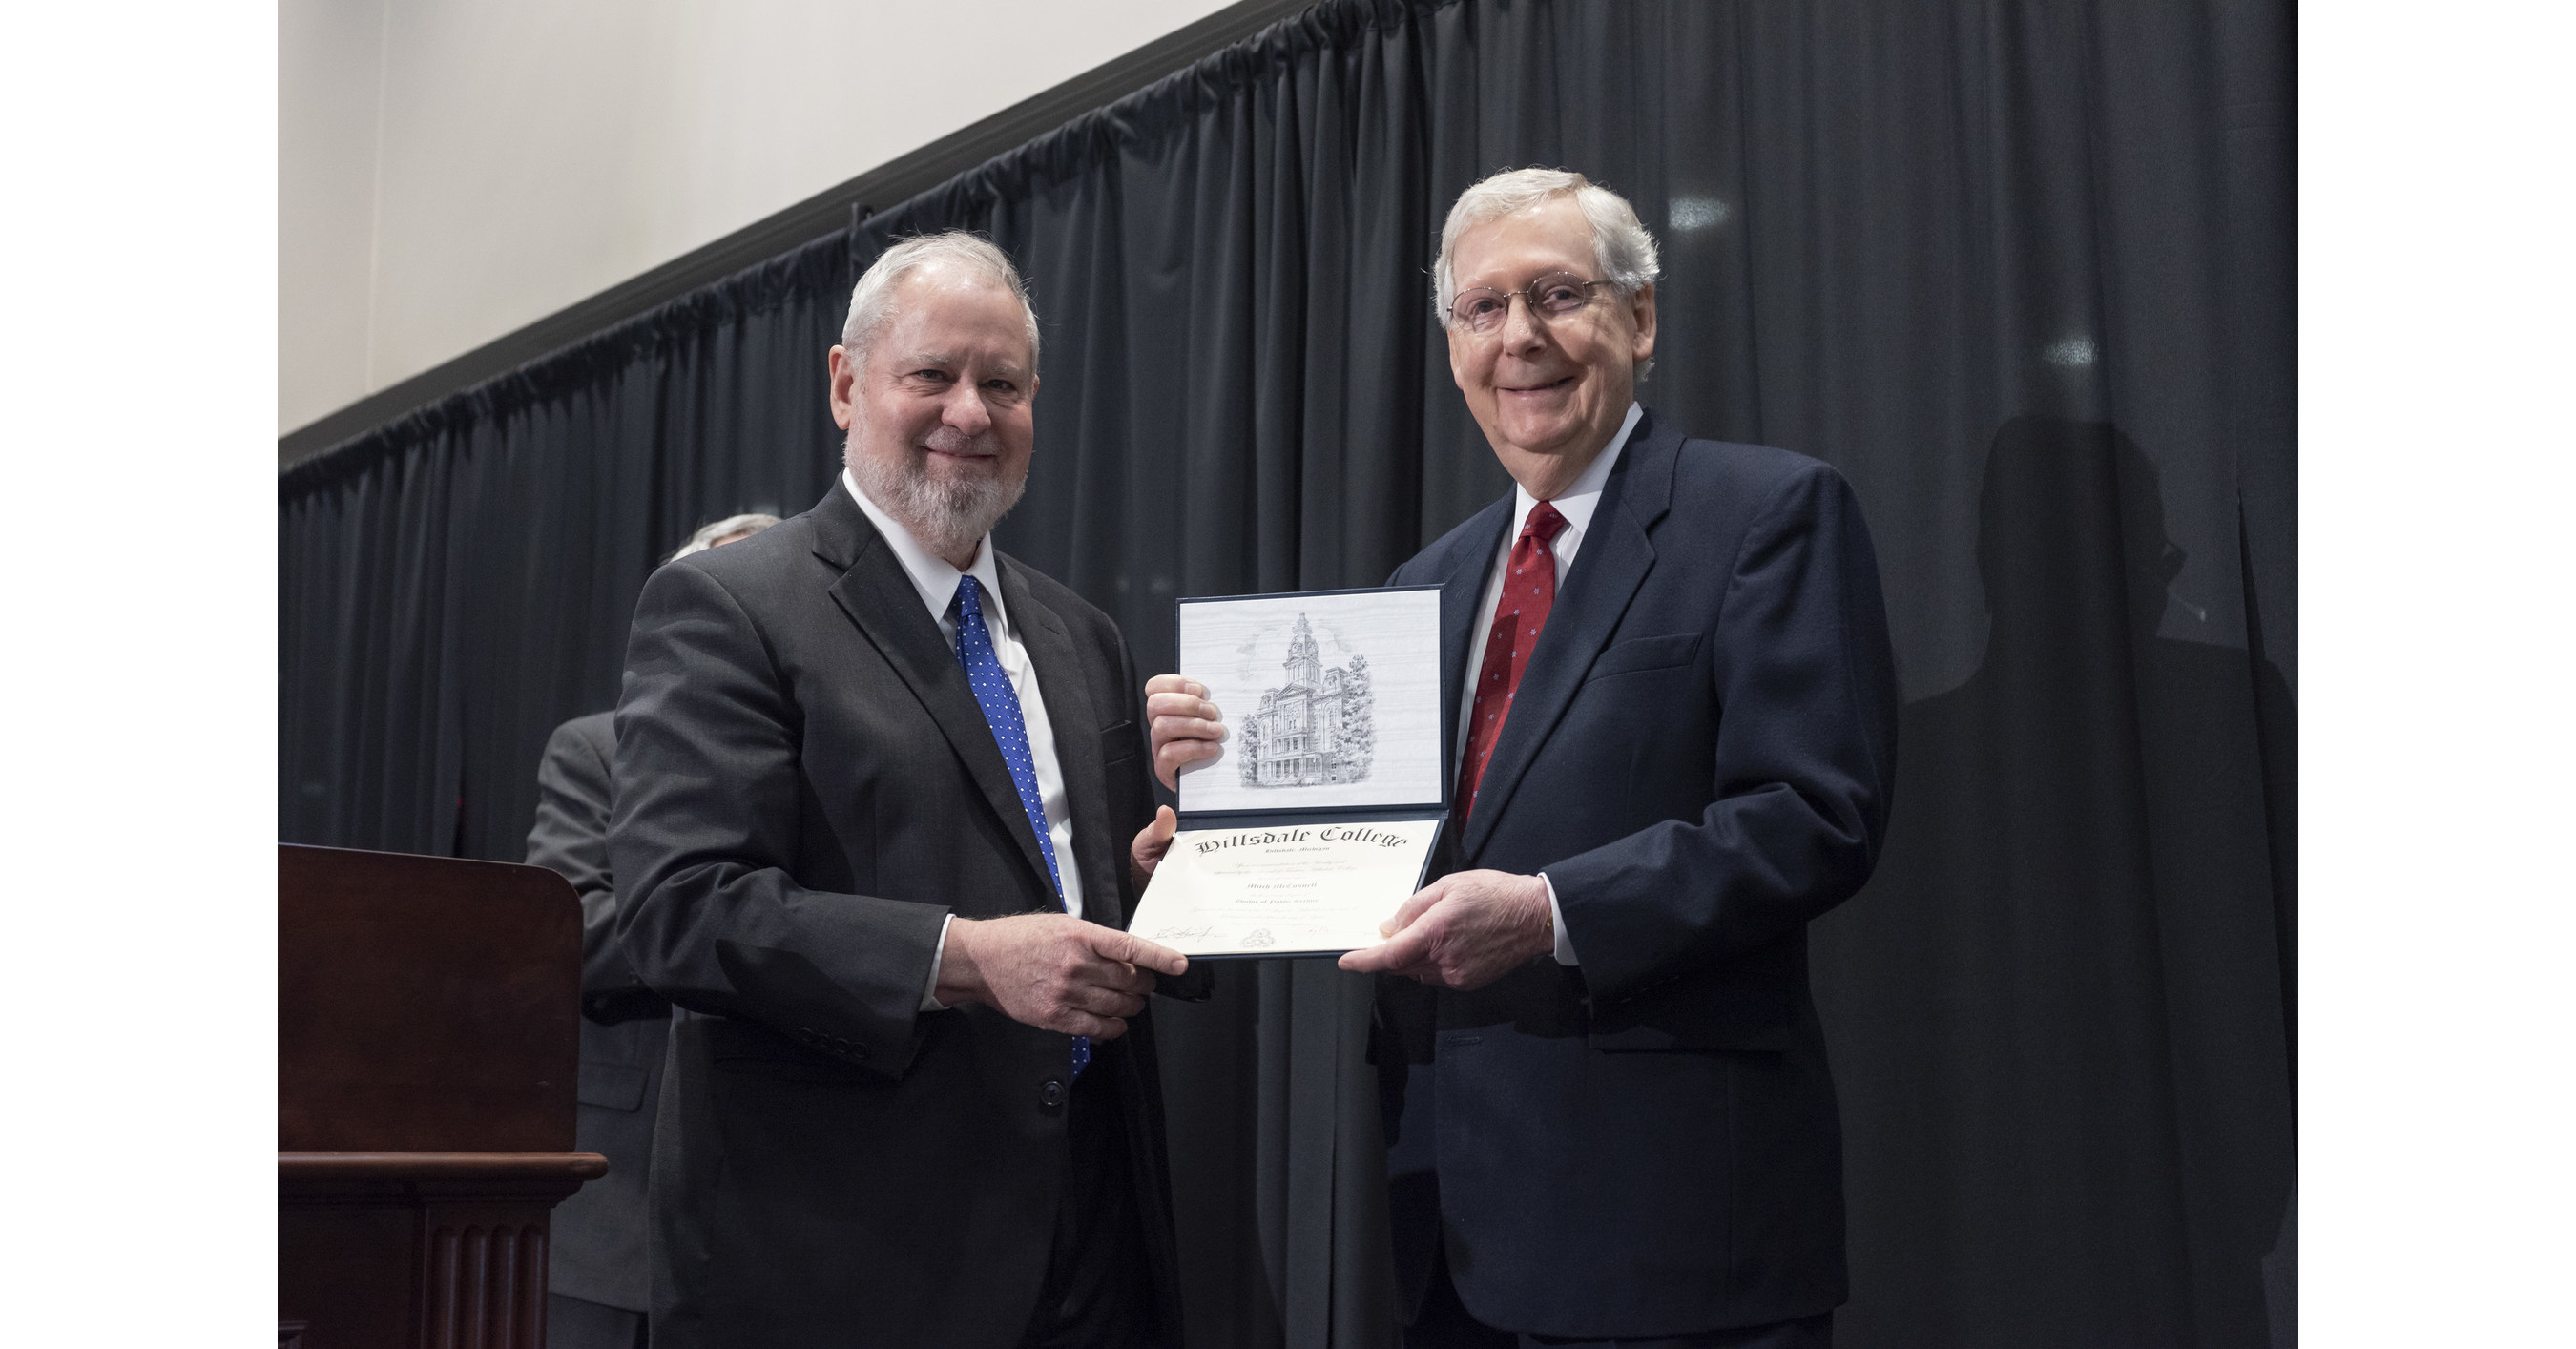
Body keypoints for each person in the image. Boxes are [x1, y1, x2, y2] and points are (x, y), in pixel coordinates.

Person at [1148, 168, 1900, 1348]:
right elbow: (1381, 852)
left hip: (1680, 1230)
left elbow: (1816, 816)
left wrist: (1554, 911)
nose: (1521, 338)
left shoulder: (1765, 514)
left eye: (1557, 294)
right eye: (1483, 308)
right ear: (1452, 346)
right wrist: (1214, 837)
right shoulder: (1417, 592)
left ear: (1640, 318)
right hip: (1451, 1223)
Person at [610, 231, 1197, 1349]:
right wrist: (967, 959)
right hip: (850, 1257)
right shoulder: (730, 605)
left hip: (1095, 1234)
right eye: (932, 375)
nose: (969, 413)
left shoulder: (1083, 635)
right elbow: (679, 909)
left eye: (1004, 384)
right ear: (846, 384)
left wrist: (1161, 877)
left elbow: (1076, 900)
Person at [524, 510, 779, 1349]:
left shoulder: (840, 764)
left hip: (792, 1194)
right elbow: (565, 931)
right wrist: (716, 923)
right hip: (620, 1197)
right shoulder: (596, 750)